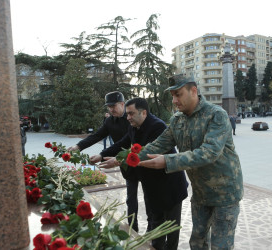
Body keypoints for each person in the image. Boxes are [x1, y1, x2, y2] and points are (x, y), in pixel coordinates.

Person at [137, 74, 244, 250]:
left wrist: (167, 161)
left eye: (178, 94)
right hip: (201, 194)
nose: (174, 100)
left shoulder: (216, 115)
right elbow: (157, 145)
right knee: (197, 243)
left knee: (220, 246)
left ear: (193, 91)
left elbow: (209, 153)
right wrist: (124, 159)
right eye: (172, 96)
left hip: (225, 195)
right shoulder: (177, 120)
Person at [98, 98, 188, 250]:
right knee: (155, 225)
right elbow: (123, 143)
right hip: (151, 186)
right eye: (127, 114)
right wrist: (102, 155)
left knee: (171, 229)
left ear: (144, 112)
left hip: (169, 187)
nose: (128, 118)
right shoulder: (134, 126)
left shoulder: (157, 126)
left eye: (131, 114)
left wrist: (121, 160)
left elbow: (148, 152)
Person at [67, 91, 141, 232]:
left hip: (141, 159)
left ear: (122, 104)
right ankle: (133, 229)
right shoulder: (109, 121)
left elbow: (122, 142)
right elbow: (97, 136)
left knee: (150, 198)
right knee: (131, 197)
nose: (111, 109)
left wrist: (102, 155)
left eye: (113, 106)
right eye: (108, 107)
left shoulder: (132, 118)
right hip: (124, 162)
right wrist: (78, 146)